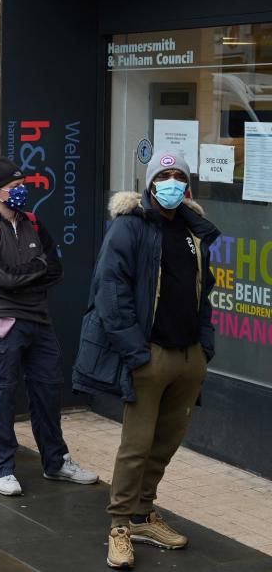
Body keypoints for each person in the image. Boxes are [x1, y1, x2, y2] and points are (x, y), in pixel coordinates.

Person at [71, 154, 219, 570]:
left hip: (188, 357)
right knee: (136, 447)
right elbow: (111, 293)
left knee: (166, 444)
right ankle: (119, 525)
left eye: (178, 177)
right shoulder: (129, 227)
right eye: (163, 176)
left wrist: (204, 348)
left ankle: (142, 514)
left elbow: (202, 292)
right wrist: (136, 353)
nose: (171, 183)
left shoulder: (192, 231)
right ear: (150, 183)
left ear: (186, 187)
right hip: (149, 356)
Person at [0, 156, 97, 497]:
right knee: (3, 395)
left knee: (48, 391)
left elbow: (57, 270)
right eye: (14, 187)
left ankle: (56, 462)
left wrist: (29, 273)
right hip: (2, 324)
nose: (21, 191)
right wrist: (35, 269)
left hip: (38, 319)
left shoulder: (35, 224)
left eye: (23, 185)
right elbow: (5, 279)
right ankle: (2, 468)